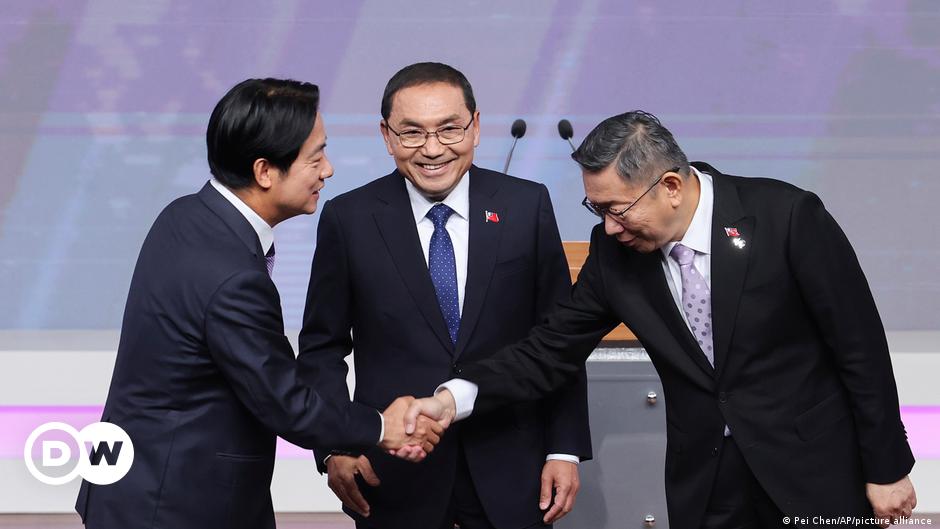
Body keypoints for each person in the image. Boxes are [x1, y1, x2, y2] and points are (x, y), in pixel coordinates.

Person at [405, 111, 917, 529]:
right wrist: (454, 397)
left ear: (671, 185)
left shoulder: (786, 218)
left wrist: (888, 468)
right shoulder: (615, 255)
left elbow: (860, 349)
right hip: (709, 485)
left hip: (814, 474)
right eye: (596, 208)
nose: (608, 227)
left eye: (617, 209)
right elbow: (549, 350)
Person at [75, 78, 442, 529]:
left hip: (139, 486)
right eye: (316, 158)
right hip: (175, 505)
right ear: (265, 171)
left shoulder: (186, 214)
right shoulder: (233, 277)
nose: (328, 170)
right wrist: (382, 426)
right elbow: (286, 402)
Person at [298, 62, 592, 529]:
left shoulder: (525, 205)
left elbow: (559, 338)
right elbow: (321, 347)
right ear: (387, 136)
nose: (433, 149)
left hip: (514, 467)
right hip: (393, 473)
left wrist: (564, 448)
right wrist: (336, 445)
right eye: (412, 133)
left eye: (449, 129)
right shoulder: (348, 218)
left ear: (475, 127)